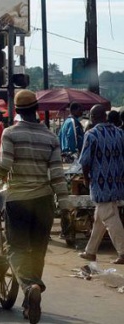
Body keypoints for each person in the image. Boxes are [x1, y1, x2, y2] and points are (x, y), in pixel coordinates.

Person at [0, 90, 68, 323]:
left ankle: (29, 286)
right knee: (38, 249)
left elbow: (3, 166)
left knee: (16, 249)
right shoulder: (51, 136)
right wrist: (65, 203)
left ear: (16, 111)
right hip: (44, 200)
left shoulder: (10, 133)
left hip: (18, 199)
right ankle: (33, 290)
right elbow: (58, 175)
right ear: (37, 110)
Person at [78, 104, 124, 265]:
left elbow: (85, 161)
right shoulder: (119, 133)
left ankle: (123, 251)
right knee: (101, 216)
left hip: (100, 181)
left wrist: (86, 178)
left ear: (92, 117)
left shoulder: (91, 134)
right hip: (117, 181)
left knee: (109, 216)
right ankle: (90, 251)